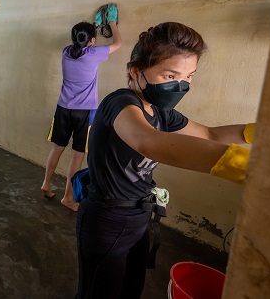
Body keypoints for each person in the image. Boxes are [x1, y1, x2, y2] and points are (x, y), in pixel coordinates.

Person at [76, 22, 254, 298]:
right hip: (107, 219)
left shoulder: (161, 112)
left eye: (189, 77)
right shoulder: (120, 103)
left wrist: (261, 131)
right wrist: (249, 166)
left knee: (131, 289)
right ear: (136, 71)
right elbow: (148, 142)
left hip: (139, 215)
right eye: (170, 74)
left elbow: (209, 133)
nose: (180, 85)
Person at [41, 20, 122, 211]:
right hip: (84, 112)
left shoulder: (66, 52)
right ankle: (68, 198)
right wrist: (111, 22)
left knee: (57, 148)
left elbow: (80, 42)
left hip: (63, 109)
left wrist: (90, 28)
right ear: (92, 41)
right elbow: (118, 43)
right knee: (77, 157)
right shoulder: (93, 54)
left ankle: (46, 183)